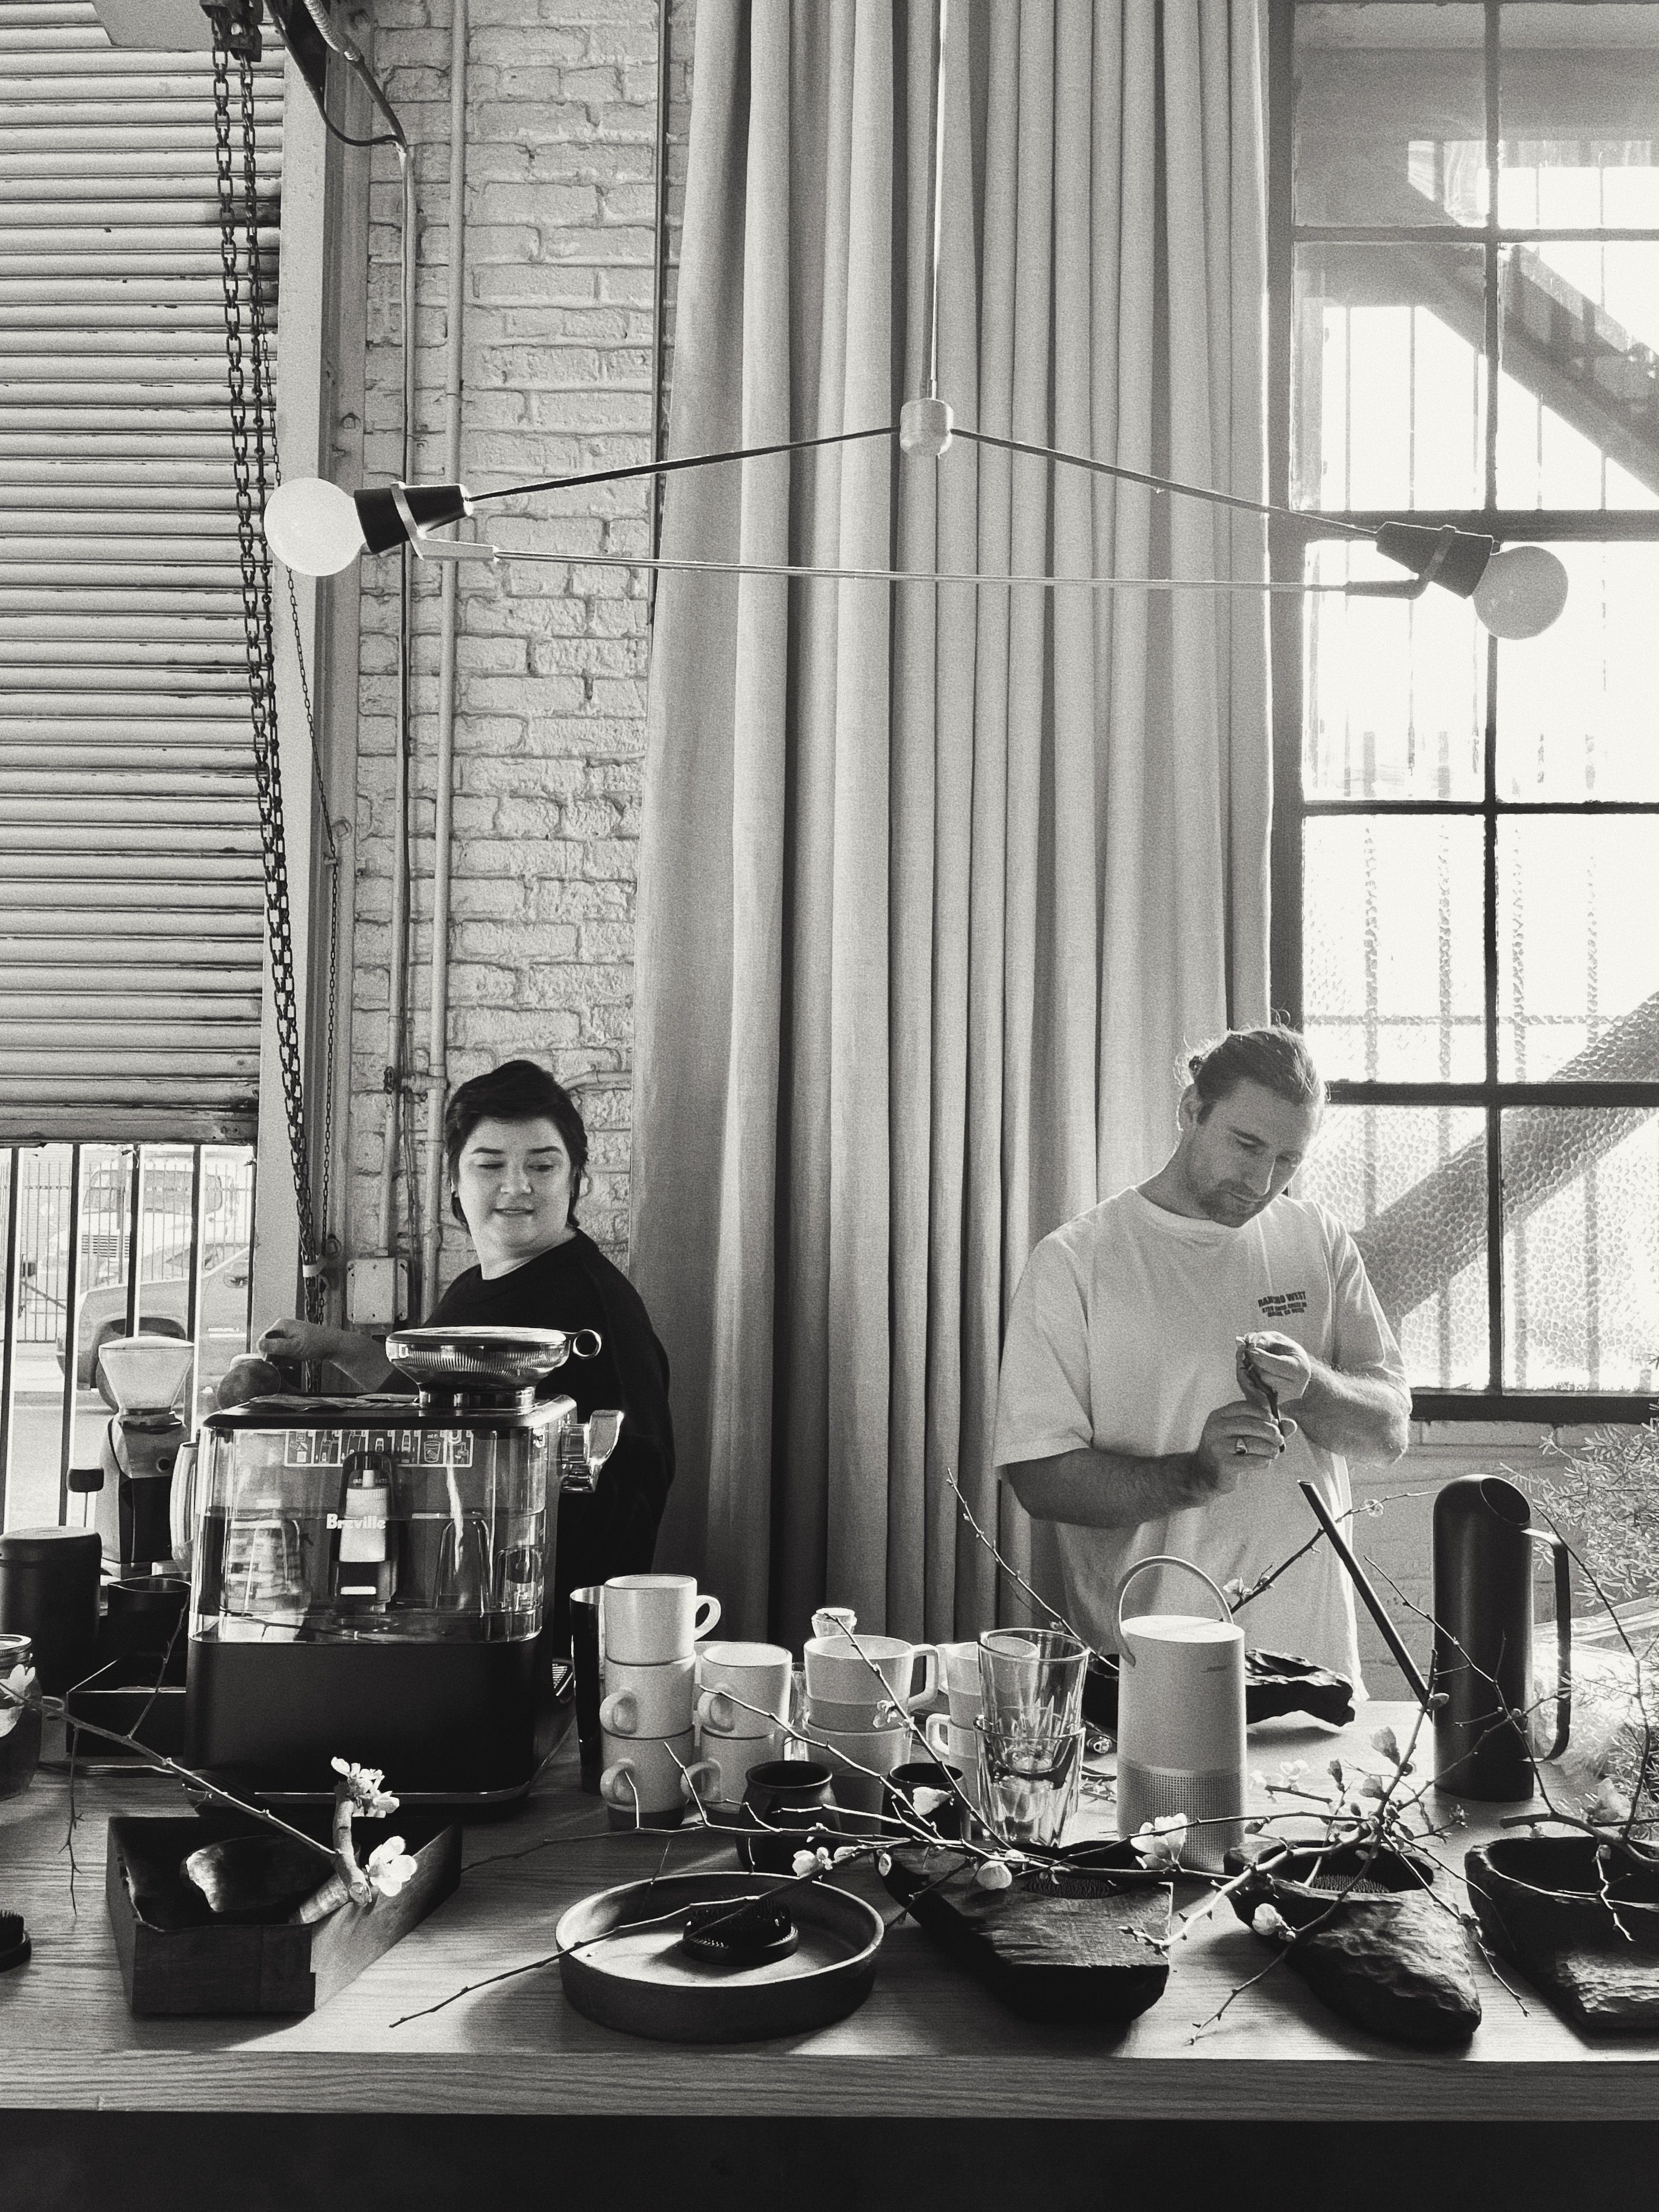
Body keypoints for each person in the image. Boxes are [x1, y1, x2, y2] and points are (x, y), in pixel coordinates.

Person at [992, 1026, 1409, 1686]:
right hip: (1151, 1667)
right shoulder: (1076, 1260)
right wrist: (1196, 1474)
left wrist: (1310, 1386)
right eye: (1246, 1145)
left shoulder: (1318, 1239)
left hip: (1315, 1669)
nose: (1261, 1181)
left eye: (1287, 1160)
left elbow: (1387, 1433)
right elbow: (1038, 1481)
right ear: (1191, 1110)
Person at [259, 1059, 673, 1644]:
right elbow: (421, 1400)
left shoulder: (597, 1307)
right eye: (491, 1164)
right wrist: (331, 1346)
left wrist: (563, 1643)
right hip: (447, 1610)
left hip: (530, 1630)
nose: (517, 1186)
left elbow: (634, 1499)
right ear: (454, 1179)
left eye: (542, 1165)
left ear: (575, 1178)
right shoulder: (473, 1287)